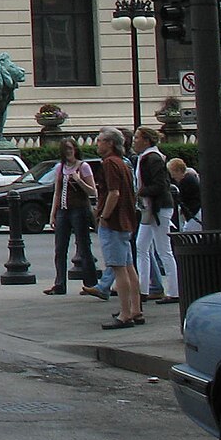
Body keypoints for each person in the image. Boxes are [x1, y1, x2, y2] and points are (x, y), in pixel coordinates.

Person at [94, 129, 143, 330]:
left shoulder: (109, 163)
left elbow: (113, 193)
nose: (97, 144)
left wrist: (104, 215)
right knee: (128, 266)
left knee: (118, 267)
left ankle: (125, 313)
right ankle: (135, 309)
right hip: (125, 220)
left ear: (110, 143)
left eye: (100, 141)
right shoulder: (123, 163)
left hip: (114, 222)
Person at [45, 137, 99, 295]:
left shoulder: (83, 166)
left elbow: (92, 191)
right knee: (60, 248)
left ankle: (91, 284)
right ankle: (59, 284)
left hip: (79, 210)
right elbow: (57, 192)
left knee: (83, 247)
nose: (69, 152)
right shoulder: (59, 168)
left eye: (71, 148)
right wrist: (53, 214)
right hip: (63, 210)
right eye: (66, 149)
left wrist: (78, 180)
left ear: (75, 149)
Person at [132, 127, 178, 304]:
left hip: (157, 208)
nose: (135, 140)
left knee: (162, 250)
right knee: (142, 245)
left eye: (137, 137)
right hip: (151, 207)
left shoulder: (152, 158)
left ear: (147, 140)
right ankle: (143, 289)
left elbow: (160, 185)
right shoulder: (149, 157)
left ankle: (174, 291)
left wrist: (140, 192)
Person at [169, 157, 202, 231]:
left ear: (178, 170)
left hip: (194, 213)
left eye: (173, 173)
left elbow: (183, 198)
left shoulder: (185, 181)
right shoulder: (190, 178)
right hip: (195, 213)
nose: (172, 177)